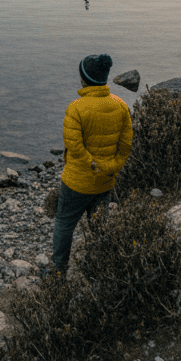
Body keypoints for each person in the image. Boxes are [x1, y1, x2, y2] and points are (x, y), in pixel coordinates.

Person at [51, 53, 133, 274]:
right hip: (105, 180)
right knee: (99, 225)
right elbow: (126, 144)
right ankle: (102, 267)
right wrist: (112, 166)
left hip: (77, 182)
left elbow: (75, 147)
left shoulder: (76, 108)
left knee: (64, 224)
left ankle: (58, 271)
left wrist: (93, 164)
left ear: (83, 79)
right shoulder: (121, 105)